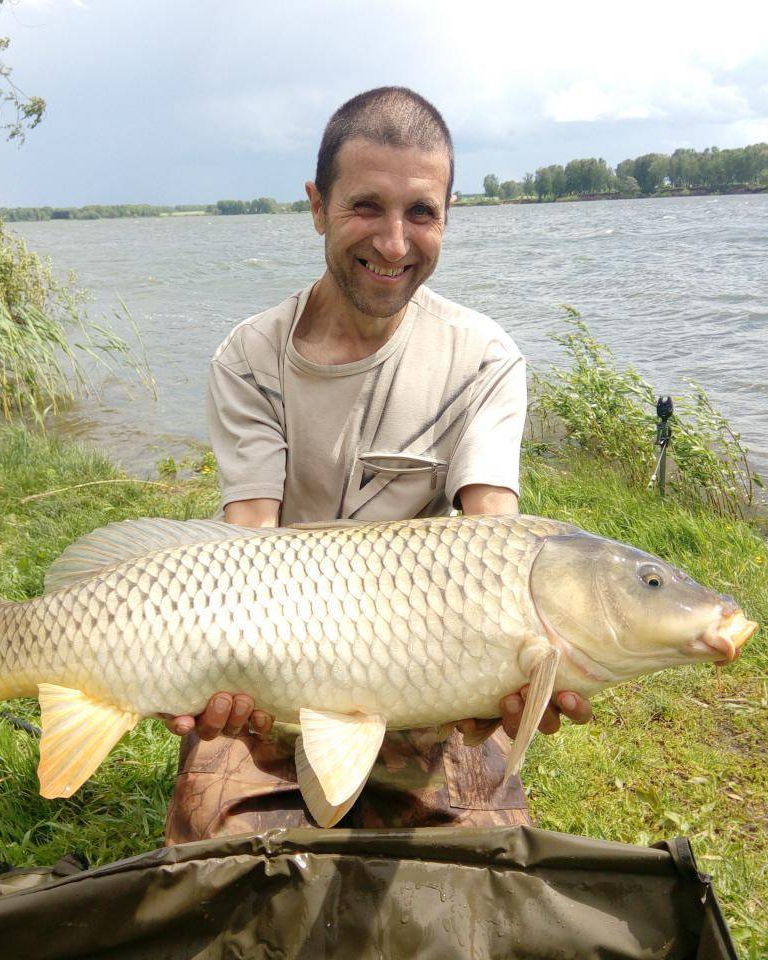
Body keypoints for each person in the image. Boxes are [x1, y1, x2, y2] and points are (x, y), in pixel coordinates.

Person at [163, 87, 592, 843]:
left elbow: (496, 532)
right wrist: (218, 677)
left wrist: (518, 669)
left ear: (448, 215)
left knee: (477, 869)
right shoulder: (250, 358)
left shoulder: (483, 356)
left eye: (421, 213)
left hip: (424, 664)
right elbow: (245, 538)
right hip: (275, 657)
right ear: (317, 206)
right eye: (366, 207)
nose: (394, 243)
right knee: (218, 867)